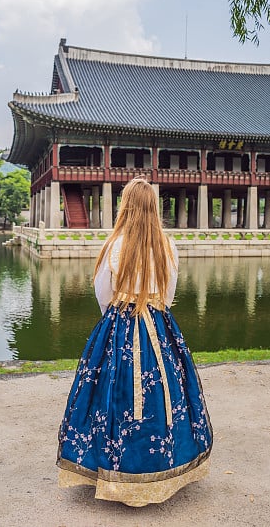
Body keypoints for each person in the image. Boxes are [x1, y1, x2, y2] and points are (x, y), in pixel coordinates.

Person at [57, 176, 212, 507]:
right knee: (166, 396)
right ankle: (163, 465)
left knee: (111, 394)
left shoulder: (113, 245)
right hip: (157, 323)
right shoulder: (167, 246)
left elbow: (103, 294)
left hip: (120, 324)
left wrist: (115, 321)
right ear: (154, 207)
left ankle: (112, 467)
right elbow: (168, 295)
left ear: (124, 206)